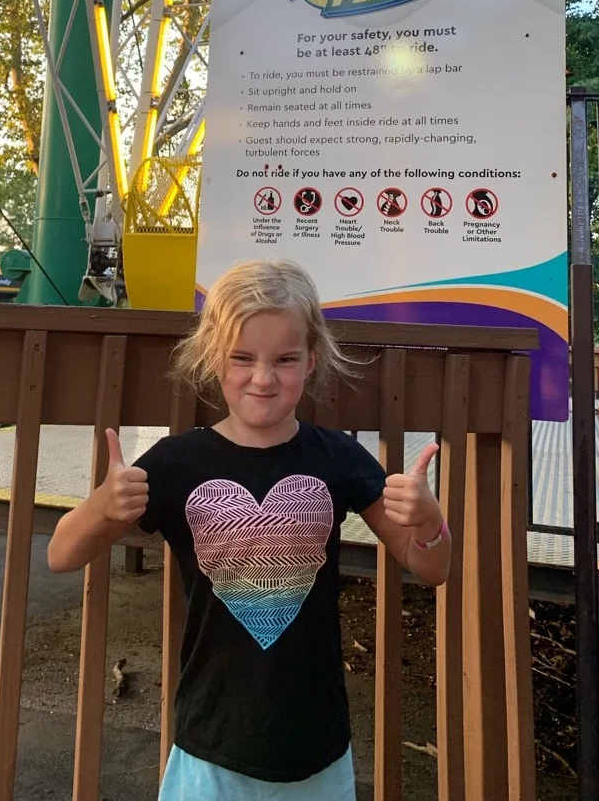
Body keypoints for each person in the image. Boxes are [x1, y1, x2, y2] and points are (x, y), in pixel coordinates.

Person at [47, 259, 450, 799]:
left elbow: (431, 566)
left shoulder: (338, 457)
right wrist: (101, 507)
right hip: (207, 744)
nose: (263, 378)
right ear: (215, 358)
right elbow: (61, 554)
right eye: (243, 358)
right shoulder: (176, 463)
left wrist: (429, 522)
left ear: (312, 361)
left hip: (318, 747)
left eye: (285, 359)